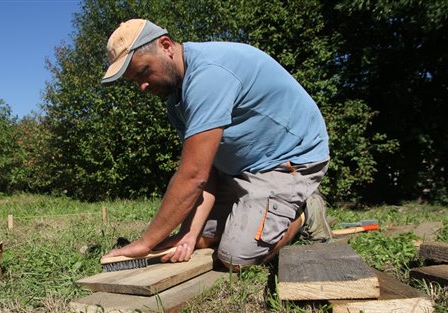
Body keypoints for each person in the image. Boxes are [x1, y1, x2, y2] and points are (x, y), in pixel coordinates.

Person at [101, 19, 332, 271]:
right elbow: (206, 169)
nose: (142, 86)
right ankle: (258, 215)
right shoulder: (176, 103)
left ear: (166, 45)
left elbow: (193, 177)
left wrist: (146, 243)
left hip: (287, 161)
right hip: (240, 169)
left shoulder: (209, 75)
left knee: (235, 257)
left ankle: (305, 212)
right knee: (197, 240)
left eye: (144, 71)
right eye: (134, 80)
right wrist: (189, 233)